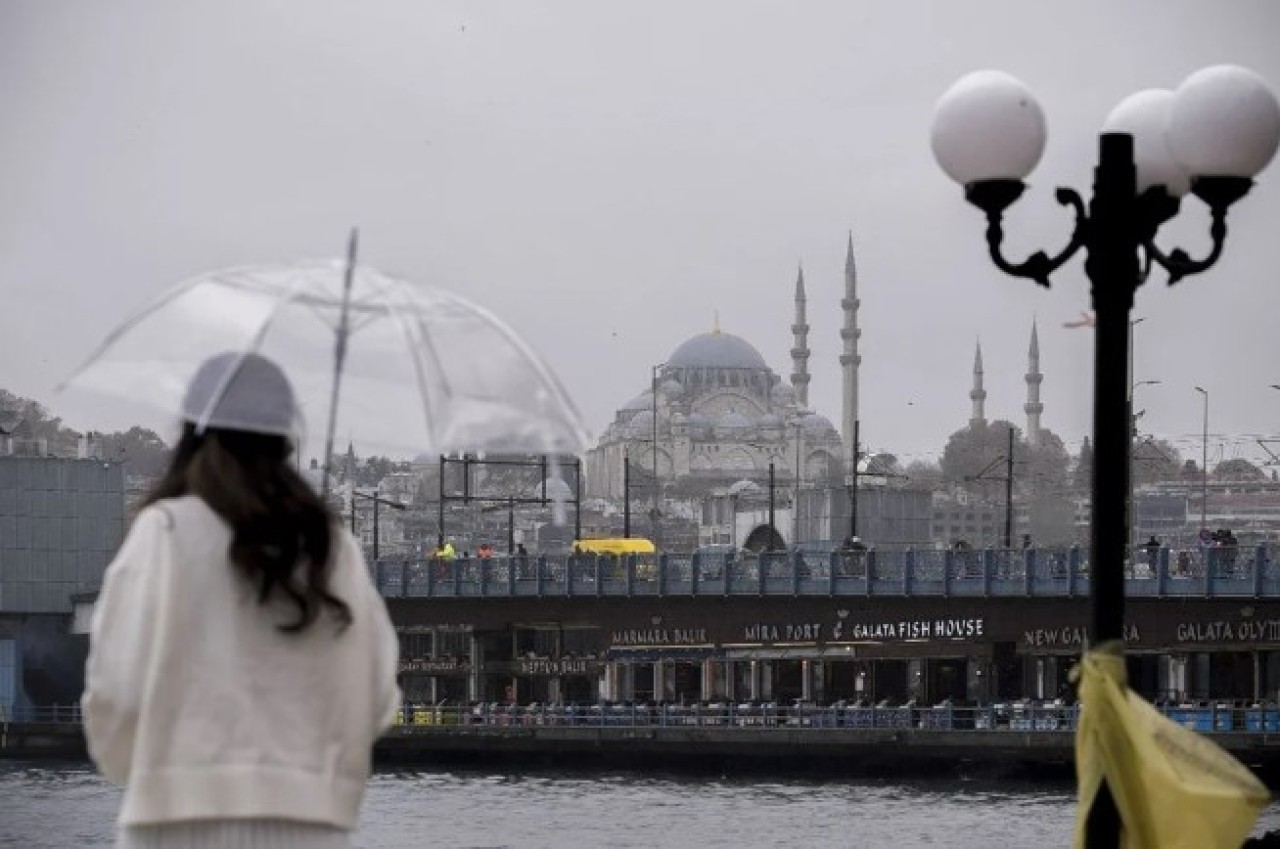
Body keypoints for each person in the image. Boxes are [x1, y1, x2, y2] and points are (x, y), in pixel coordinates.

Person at [82, 352, 400, 849]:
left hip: (176, 821)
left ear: (193, 432)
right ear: (283, 437)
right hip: (311, 824)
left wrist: (147, 768)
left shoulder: (164, 532)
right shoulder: (332, 549)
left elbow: (115, 691)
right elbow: (377, 698)